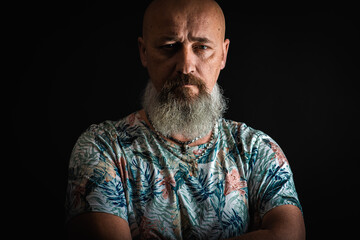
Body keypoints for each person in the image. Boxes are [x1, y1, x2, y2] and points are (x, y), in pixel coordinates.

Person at [65, 0, 305, 239]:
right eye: (169, 46)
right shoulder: (102, 148)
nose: (186, 65)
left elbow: (289, 234)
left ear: (223, 54)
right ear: (144, 52)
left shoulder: (256, 149)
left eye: (201, 47)